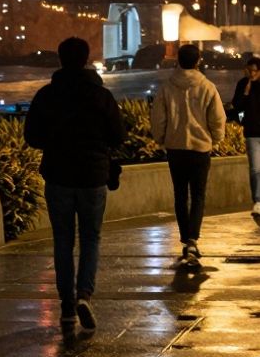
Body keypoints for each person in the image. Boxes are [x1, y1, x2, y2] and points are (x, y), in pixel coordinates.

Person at [24, 37, 125, 331]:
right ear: (86, 59)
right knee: (91, 238)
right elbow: (118, 136)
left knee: (63, 241)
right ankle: (84, 295)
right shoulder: (101, 95)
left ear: (60, 59)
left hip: (58, 176)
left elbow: (31, 136)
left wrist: (54, 144)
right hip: (93, 177)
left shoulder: (47, 95)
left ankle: (66, 305)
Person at [150, 43, 226, 269]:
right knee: (199, 195)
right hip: (200, 148)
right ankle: (193, 239)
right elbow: (217, 119)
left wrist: (161, 138)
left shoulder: (167, 87)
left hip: (176, 148)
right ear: (198, 61)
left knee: (180, 195)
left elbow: (158, 118)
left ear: (178, 60)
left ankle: (185, 238)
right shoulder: (207, 87)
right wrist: (216, 139)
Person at [228, 56, 260, 226]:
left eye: (254, 71)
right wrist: (246, 93)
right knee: (255, 169)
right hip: (252, 133)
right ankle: (258, 202)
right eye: (248, 71)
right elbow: (237, 107)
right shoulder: (243, 84)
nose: (251, 74)